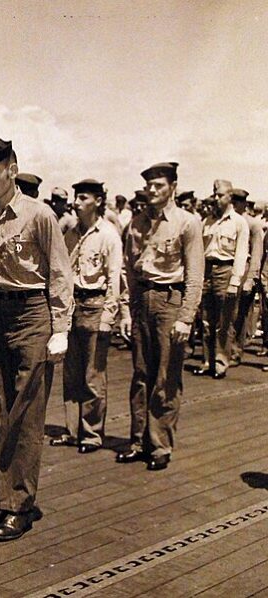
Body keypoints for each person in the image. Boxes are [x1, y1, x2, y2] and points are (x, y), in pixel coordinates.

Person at [0, 139, 73, 542]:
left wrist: (60, 328)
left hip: (33, 313)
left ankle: (19, 506)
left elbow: (60, 272)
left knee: (25, 415)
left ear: (12, 169)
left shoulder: (39, 215)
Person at [118, 162, 204, 471]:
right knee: (141, 373)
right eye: (149, 185)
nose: (153, 190)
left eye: (159, 185)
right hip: (142, 299)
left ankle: (160, 444)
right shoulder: (136, 224)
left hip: (170, 300)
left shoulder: (187, 223)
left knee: (166, 377)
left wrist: (186, 317)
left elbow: (195, 276)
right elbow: (128, 271)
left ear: (173, 187)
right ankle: (138, 440)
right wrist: (126, 311)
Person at [50, 179, 122, 453]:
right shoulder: (70, 233)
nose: (76, 203)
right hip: (72, 306)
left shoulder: (108, 235)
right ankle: (71, 430)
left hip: (95, 305)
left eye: (83, 198)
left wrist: (109, 316)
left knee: (93, 375)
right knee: (71, 373)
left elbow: (115, 277)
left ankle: (91, 433)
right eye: (76, 198)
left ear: (98, 201)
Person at [193, 179, 249, 379]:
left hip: (226, 271)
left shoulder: (239, 223)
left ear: (230, 198)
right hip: (207, 271)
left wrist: (235, 281)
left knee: (224, 322)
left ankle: (220, 362)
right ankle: (207, 360)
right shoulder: (206, 222)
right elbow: (199, 251)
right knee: (206, 319)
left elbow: (241, 254)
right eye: (214, 195)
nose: (216, 199)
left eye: (220, 195)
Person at [230, 189, 264, 365]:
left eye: (237, 202)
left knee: (239, 314)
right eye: (232, 202)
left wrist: (251, 279)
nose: (234, 205)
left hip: (245, 271)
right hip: (230, 270)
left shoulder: (253, 224)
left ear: (244, 203)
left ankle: (235, 351)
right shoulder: (229, 222)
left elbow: (257, 253)